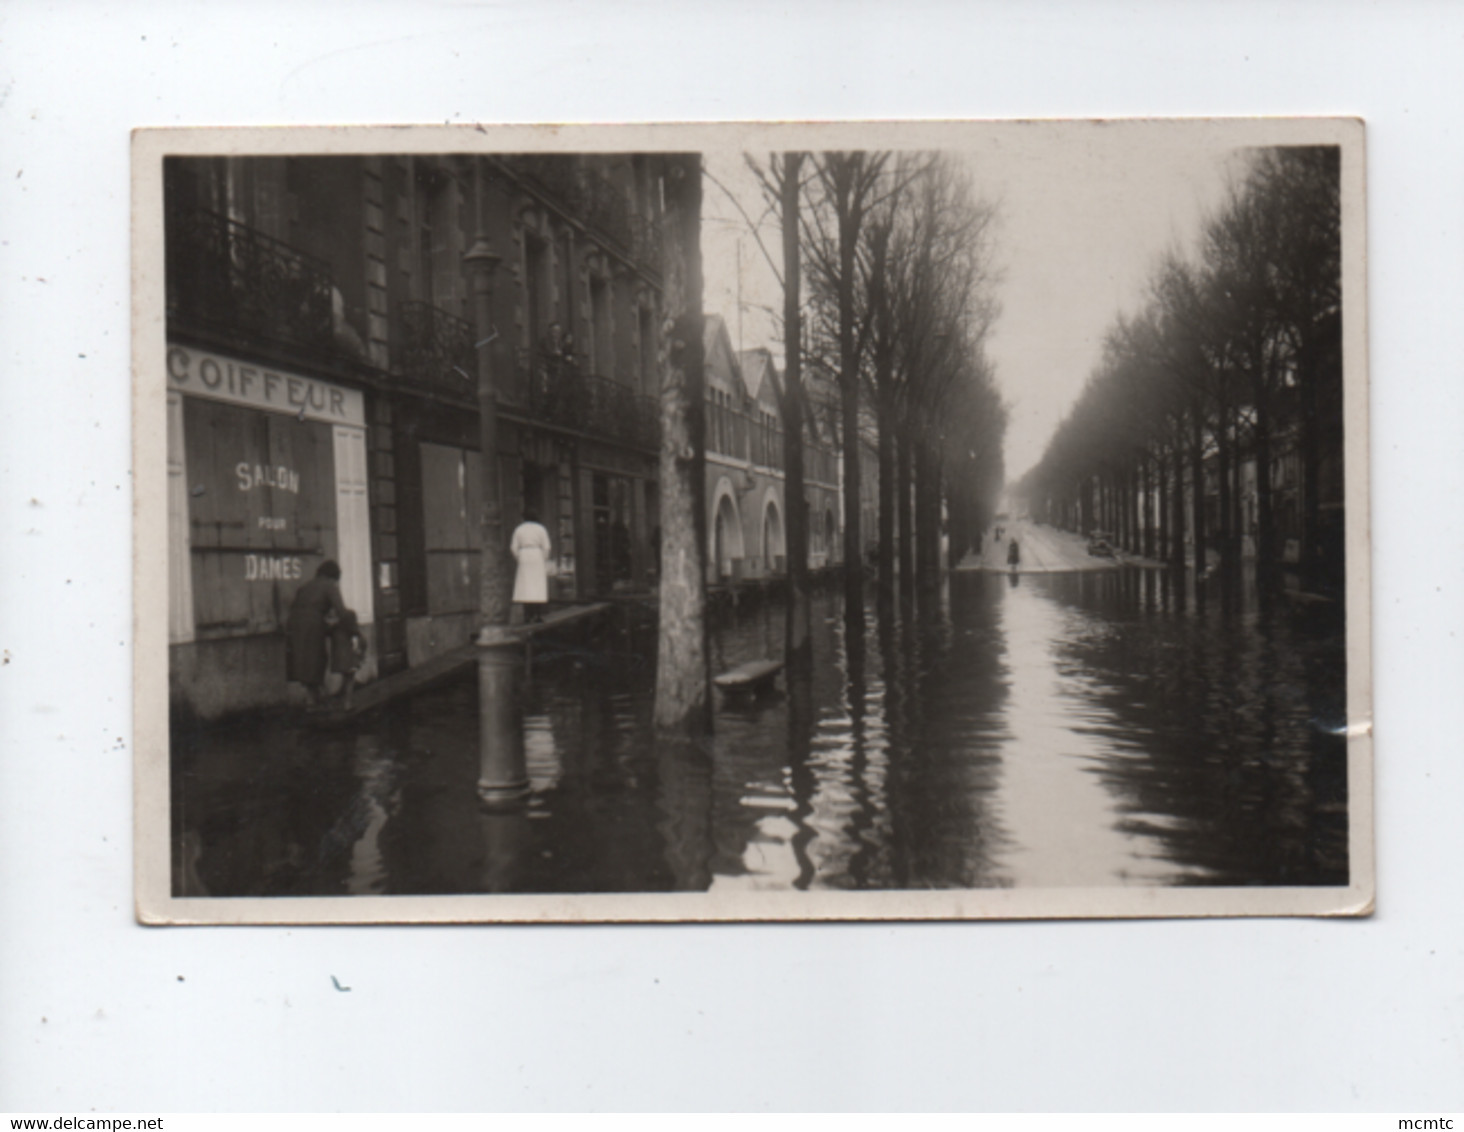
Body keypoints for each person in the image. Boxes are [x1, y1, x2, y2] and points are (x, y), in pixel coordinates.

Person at [285, 559, 347, 706]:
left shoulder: (305, 586)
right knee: (318, 659)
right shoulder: (330, 586)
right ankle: (313, 700)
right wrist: (344, 623)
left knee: (304, 661)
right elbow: (341, 611)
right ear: (333, 577)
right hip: (312, 624)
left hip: (294, 624)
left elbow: (298, 607)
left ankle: (312, 696)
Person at [511, 508, 553, 624]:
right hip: (537, 556)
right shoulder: (541, 529)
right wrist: (543, 559)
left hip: (524, 555)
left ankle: (527, 616)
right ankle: (538, 615)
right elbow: (547, 547)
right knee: (537, 586)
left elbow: (513, 548)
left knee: (526, 586)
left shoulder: (519, 529)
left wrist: (519, 557)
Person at [329, 608, 368, 711]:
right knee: (350, 679)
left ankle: (343, 701)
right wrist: (360, 654)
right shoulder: (352, 631)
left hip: (338, 657)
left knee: (345, 677)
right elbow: (360, 643)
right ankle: (348, 703)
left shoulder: (334, 629)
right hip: (348, 656)